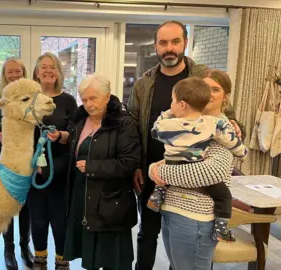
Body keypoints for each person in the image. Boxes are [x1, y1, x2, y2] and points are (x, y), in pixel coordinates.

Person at [127, 20, 243, 270]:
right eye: (163, 42)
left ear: (185, 43)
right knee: (148, 233)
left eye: (175, 41)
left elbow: (225, 109)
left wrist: (233, 123)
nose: (169, 48)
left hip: (193, 180)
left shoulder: (203, 76)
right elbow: (133, 127)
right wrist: (136, 165)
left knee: (185, 242)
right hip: (154, 173)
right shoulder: (143, 83)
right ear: (156, 46)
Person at [148, 69, 239, 269]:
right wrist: (156, 165)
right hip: (172, 209)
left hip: (195, 216)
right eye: (204, 87)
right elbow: (173, 157)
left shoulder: (221, 128)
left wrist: (157, 171)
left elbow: (209, 173)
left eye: (215, 89)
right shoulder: (186, 123)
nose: (208, 93)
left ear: (225, 97)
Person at [56, 74, 140, 270]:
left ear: (107, 96)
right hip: (83, 200)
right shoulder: (79, 121)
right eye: (84, 99)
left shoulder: (123, 123)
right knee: (91, 259)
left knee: (114, 262)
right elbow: (77, 151)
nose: (88, 104)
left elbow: (129, 163)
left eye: (93, 98)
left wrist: (92, 167)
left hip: (112, 205)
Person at [0, 57, 34, 269]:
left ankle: (24, 246)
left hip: (23, 156)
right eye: (10, 72)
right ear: (4, 74)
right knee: (6, 204)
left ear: (24, 72)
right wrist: (2, 128)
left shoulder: (31, 95)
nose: (14, 75)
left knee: (26, 204)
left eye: (18, 71)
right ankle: (8, 248)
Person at [30, 52, 78, 270]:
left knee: (60, 221)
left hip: (60, 168)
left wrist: (61, 135)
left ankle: (62, 260)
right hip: (33, 169)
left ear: (59, 73)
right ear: (37, 72)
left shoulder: (68, 101)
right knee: (37, 219)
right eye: (44, 67)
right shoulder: (29, 98)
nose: (48, 70)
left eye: (53, 67)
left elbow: (77, 133)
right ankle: (39, 259)